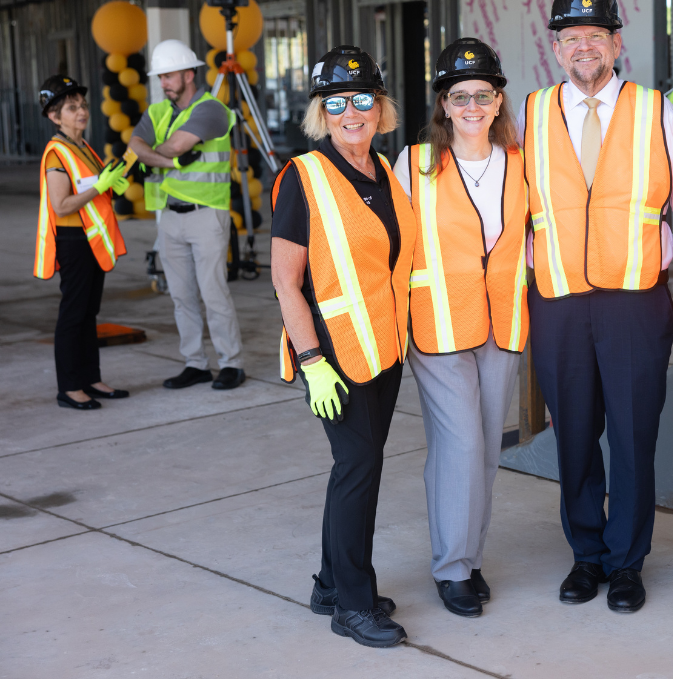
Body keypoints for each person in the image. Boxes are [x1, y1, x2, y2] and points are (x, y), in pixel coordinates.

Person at [517, 0, 673, 613]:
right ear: (555, 48)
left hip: (635, 301)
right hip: (558, 299)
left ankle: (627, 562)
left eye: (595, 35)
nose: (583, 47)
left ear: (616, 43)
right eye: (570, 38)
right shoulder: (530, 114)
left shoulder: (655, 110)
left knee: (635, 434)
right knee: (575, 434)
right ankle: (586, 555)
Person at [271, 46, 416, 649]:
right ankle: (353, 606)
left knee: (357, 469)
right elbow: (285, 279)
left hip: (384, 350)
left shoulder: (383, 171)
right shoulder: (303, 177)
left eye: (362, 100)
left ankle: (332, 582)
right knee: (357, 471)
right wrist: (311, 362)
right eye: (337, 103)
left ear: (380, 109)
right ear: (320, 112)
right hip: (334, 355)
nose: (351, 113)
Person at [393, 38, 528, 618]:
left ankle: (470, 560)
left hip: (503, 322)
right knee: (461, 445)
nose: (472, 104)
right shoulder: (415, 162)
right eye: (459, 95)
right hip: (440, 325)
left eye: (483, 93)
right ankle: (451, 568)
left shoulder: (522, 161)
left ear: (498, 100)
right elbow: (392, 247)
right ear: (443, 105)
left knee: (488, 449)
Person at [128, 39, 245, 391]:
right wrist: (168, 161)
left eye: (169, 76)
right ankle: (195, 363)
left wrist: (154, 155)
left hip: (206, 215)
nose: (162, 83)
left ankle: (231, 364)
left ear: (189, 74)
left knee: (213, 293)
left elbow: (175, 145)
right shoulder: (158, 111)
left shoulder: (212, 110)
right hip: (170, 217)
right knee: (181, 296)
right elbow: (136, 146)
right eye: (160, 77)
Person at [34, 75, 130, 410]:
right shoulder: (57, 152)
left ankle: (91, 378)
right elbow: (61, 206)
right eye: (72, 107)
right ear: (54, 116)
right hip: (74, 241)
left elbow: (94, 189)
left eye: (83, 105)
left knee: (89, 312)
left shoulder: (83, 147)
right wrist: (99, 187)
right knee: (73, 314)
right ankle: (70, 387)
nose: (82, 112)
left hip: (90, 240)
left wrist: (110, 184)